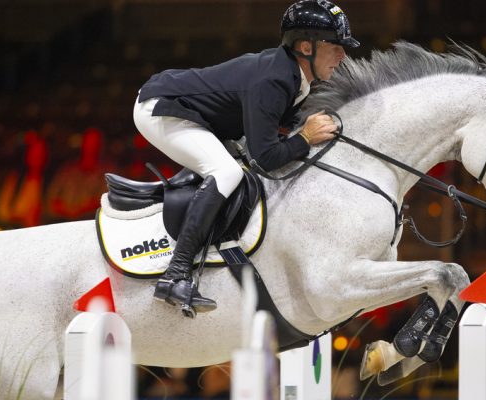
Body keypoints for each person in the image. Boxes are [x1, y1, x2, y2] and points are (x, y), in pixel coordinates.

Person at [132, 0, 360, 316]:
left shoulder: (296, 79)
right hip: (162, 108)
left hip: (196, 113)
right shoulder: (275, 79)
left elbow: (276, 139)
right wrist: (305, 138)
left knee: (234, 168)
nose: (342, 55)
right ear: (306, 46)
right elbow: (266, 156)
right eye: (335, 45)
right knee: (227, 172)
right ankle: (175, 274)